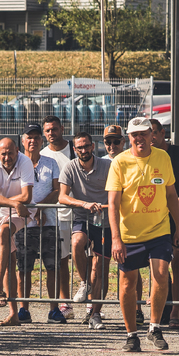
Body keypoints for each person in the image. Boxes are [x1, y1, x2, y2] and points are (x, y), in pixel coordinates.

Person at [106, 116, 179, 352]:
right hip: (129, 234)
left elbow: (171, 195)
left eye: (144, 133)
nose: (139, 138)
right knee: (127, 284)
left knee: (161, 275)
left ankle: (154, 327)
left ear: (152, 135)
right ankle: (131, 334)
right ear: (128, 138)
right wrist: (116, 239)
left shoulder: (163, 157)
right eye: (135, 135)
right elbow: (113, 204)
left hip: (159, 230)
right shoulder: (119, 162)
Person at [58, 131, 112, 330]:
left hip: (106, 221)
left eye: (86, 146)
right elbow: (62, 196)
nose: (83, 150)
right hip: (82, 217)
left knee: (100, 268)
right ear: (74, 149)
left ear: (93, 146)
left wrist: (104, 207)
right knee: (76, 243)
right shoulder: (70, 167)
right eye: (79, 147)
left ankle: (95, 313)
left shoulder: (107, 166)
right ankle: (84, 282)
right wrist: (84, 204)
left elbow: (117, 194)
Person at [15, 123, 64, 323]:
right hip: (23, 223)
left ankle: (54, 309)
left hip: (49, 222)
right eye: (29, 137)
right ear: (23, 140)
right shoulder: (17, 162)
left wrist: (41, 208)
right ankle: (23, 309)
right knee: (24, 268)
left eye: (36, 137)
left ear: (41, 140)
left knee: (52, 267)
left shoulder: (50, 162)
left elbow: (57, 190)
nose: (33, 141)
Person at [0, 136, 32, 327]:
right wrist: (12, 203)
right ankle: (13, 314)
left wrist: (3, 202)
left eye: (10, 153)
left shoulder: (25, 161)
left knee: (4, 232)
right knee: (10, 261)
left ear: (17, 151)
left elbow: (27, 196)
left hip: (23, 212)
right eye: (3, 154)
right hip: (4, 210)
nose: (7, 157)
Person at [151, 117, 179, 328]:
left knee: (178, 261)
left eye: (153, 132)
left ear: (162, 133)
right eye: (146, 133)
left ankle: (176, 311)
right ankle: (160, 310)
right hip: (155, 214)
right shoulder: (146, 156)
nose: (150, 137)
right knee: (158, 263)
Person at [40, 115, 74, 316]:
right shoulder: (42, 155)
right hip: (56, 215)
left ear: (62, 128)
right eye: (47, 130)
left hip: (79, 213)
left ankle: (91, 305)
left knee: (87, 259)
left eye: (54, 129)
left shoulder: (75, 150)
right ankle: (65, 303)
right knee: (61, 260)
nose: (51, 133)